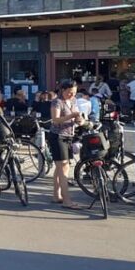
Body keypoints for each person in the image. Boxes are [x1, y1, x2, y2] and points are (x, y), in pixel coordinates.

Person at [49, 79, 84, 209]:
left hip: (69, 135)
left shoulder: (73, 101)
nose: (72, 95)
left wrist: (79, 120)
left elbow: (77, 116)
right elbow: (55, 120)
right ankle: (67, 200)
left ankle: (56, 195)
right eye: (69, 92)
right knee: (63, 166)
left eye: (74, 92)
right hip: (58, 136)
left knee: (62, 167)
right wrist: (71, 116)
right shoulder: (57, 102)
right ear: (63, 90)